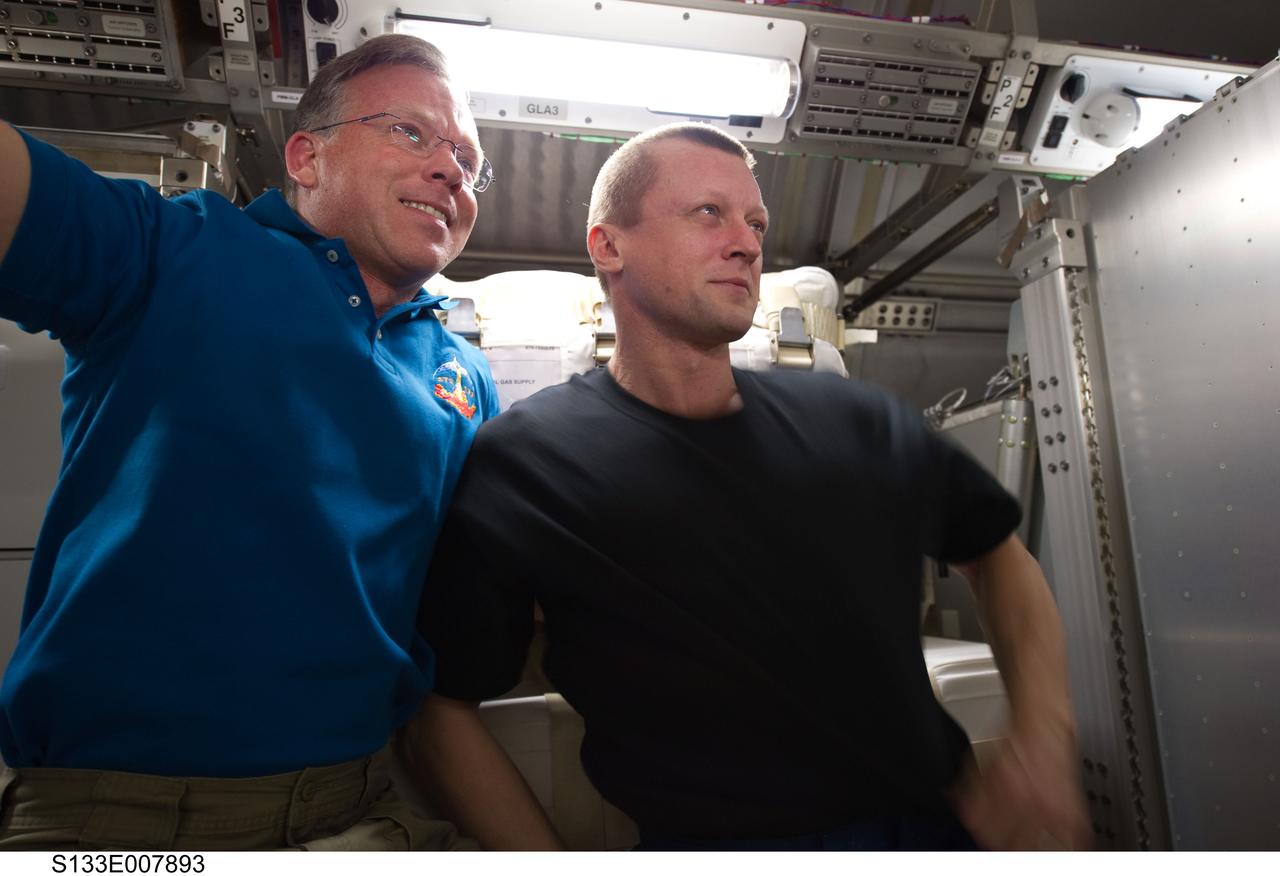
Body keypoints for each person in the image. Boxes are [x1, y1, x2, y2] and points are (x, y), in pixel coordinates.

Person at [412, 122, 1092, 851]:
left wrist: (1042, 741)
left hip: (944, 832)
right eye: (709, 213)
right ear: (609, 246)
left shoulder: (853, 420)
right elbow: (438, 711)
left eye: (756, 222)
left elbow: (996, 555)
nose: (746, 242)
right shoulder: (529, 463)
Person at [0, 35, 502, 850]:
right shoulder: (179, 250)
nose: (450, 168)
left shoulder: (462, 373)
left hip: (359, 803)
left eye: (466, 157)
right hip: (125, 820)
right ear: (306, 156)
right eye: (411, 133)